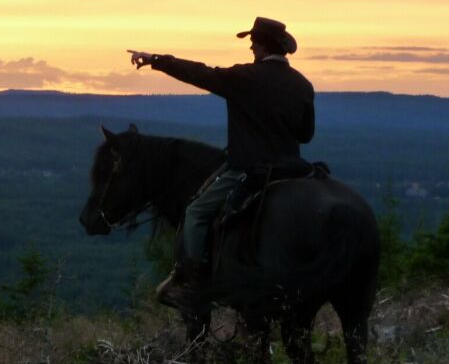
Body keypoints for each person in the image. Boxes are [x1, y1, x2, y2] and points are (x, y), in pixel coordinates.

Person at [128, 17, 315, 307]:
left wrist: (156, 60)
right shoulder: (303, 84)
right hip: (292, 169)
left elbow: (199, 73)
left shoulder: (244, 77)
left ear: (264, 46)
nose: (251, 46)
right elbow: (306, 134)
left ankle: (192, 281)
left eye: (254, 41)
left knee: (196, 213)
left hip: (250, 168)